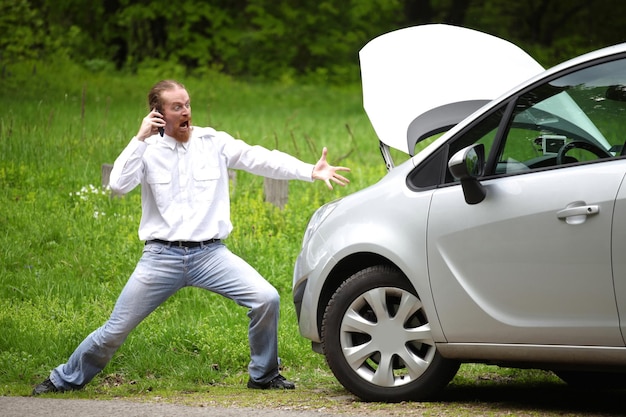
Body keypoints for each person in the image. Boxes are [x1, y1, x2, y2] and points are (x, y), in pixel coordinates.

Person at [33, 79, 350, 395]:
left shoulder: (213, 142)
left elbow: (261, 158)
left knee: (266, 298)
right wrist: (140, 138)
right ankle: (62, 380)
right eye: (176, 106)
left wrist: (310, 170)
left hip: (211, 255)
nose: (185, 111)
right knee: (115, 330)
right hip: (161, 258)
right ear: (158, 113)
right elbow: (117, 184)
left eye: (187, 104)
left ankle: (264, 374)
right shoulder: (147, 150)